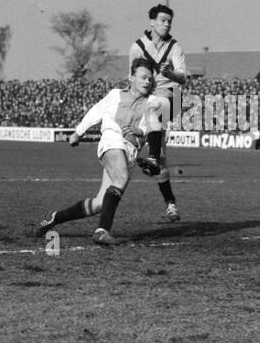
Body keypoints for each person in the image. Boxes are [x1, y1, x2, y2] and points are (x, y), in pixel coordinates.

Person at [34, 60, 168, 246]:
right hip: (111, 142)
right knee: (122, 177)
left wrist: (141, 132)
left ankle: (54, 218)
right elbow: (95, 112)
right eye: (143, 77)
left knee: (99, 203)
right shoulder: (115, 95)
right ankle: (102, 230)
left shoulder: (152, 102)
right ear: (131, 78)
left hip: (128, 153)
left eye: (150, 79)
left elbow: (155, 130)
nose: (147, 82)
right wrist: (78, 132)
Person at [128, 4, 191, 222]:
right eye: (163, 20)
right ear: (152, 22)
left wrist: (170, 73)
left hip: (171, 96)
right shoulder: (137, 47)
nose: (167, 24)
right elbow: (133, 80)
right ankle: (171, 204)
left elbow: (184, 78)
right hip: (148, 100)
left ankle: (152, 157)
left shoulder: (175, 47)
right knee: (161, 162)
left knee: (153, 107)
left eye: (169, 21)